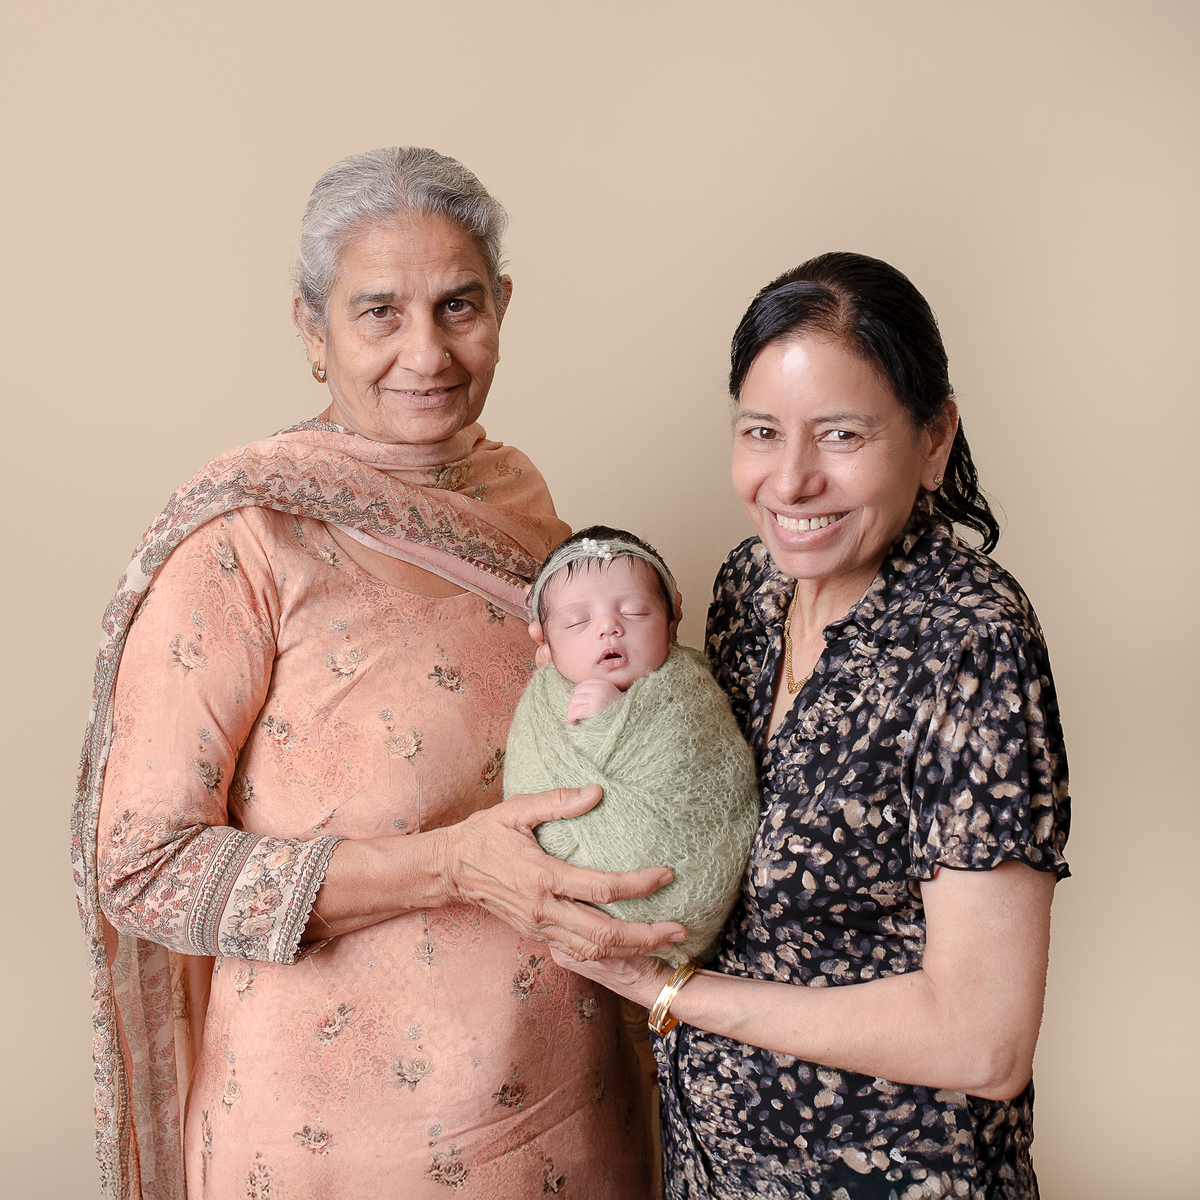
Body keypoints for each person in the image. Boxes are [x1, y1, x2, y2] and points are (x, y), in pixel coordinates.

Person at [72, 147, 686, 1200]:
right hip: (335, 1149)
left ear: (503, 306)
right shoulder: (248, 540)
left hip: (575, 1123)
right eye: (378, 313)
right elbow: (139, 864)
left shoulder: (522, 510)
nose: (427, 351)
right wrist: (451, 866)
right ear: (312, 330)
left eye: (458, 306)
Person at [552, 252, 1071, 1199]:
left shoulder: (970, 643)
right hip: (714, 1169)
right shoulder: (750, 588)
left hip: (894, 1174)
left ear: (934, 437)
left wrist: (673, 997)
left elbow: (982, 1038)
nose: (789, 482)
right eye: (761, 432)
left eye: (840, 434)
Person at [504, 526, 760, 965]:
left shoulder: (688, 691)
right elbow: (524, 793)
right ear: (544, 641)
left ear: (671, 620)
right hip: (569, 926)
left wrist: (618, 719)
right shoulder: (540, 704)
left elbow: (714, 783)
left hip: (686, 890)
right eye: (577, 621)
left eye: (636, 612)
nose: (608, 628)